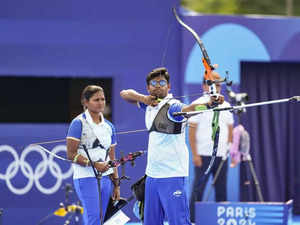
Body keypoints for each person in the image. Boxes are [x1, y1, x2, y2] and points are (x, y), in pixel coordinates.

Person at [120, 67, 223, 225]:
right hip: (152, 175)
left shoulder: (173, 106)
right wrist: (144, 98)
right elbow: (125, 94)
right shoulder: (148, 104)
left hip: (172, 175)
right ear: (148, 87)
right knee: (151, 222)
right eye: (153, 83)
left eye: (162, 82)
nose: (158, 85)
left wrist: (209, 104)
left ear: (169, 87)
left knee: (179, 221)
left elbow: (189, 109)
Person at [66, 85, 120, 225]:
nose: (101, 102)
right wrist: (94, 164)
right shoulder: (78, 123)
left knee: (103, 220)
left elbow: (112, 158)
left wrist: (116, 184)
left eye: (103, 99)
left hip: (106, 179)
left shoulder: (109, 126)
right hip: (85, 178)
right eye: (96, 100)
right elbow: (71, 154)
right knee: (93, 219)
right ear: (85, 102)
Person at [189, 71, 234, 223]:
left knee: (221, 189)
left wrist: (228, 149)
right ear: (205, 85)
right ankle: (192, 220)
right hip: (203, 155)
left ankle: (223, 220)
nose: (217, 87)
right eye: (213, 84)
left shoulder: (226, 105)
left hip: (221, 155)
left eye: (219, 85)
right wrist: (195, 154)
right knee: (198, 189)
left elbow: (230, 129)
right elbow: (192, 131)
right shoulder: (199, 104)